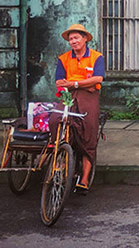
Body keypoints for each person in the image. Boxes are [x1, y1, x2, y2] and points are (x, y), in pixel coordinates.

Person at [50, 24, 105, 194]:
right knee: (55, 120)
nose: (73, 42)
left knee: (88, 128)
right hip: (68, 95)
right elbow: (59, 82)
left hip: (89, 96)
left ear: (85, 39)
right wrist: (85, 84)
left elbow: (98, 78)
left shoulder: (96, 57)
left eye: (76, 38)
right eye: (70, 39)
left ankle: (84, 178)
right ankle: (60, 158)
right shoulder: (64, 58)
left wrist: (74, 83)